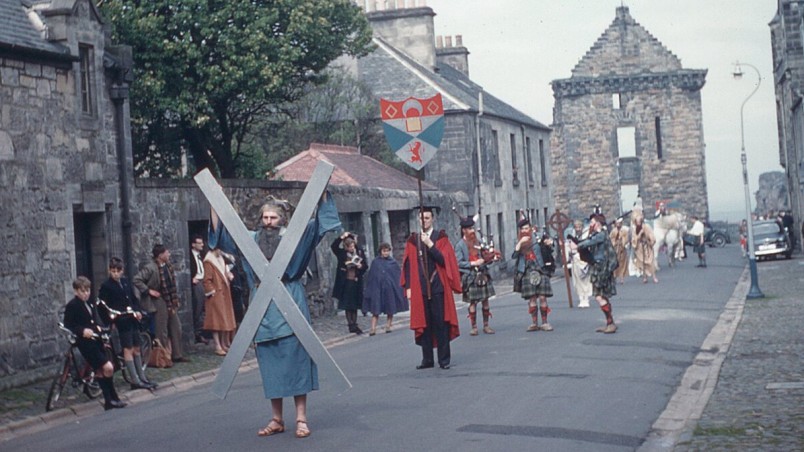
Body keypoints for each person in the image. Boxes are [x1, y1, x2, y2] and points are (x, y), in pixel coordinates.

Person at [209, 192, 341, 439]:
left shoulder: (295, 237)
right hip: (262, 309)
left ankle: (301, 418)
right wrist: (214, 206)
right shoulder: (250, 239)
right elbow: (224, 237)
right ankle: (277, 419)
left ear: (282, 219)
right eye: (265, 217)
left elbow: (318, 226)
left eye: (273, 217)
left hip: (290, 302)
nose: (268, 221)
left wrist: (321, 193)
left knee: (297, 363)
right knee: (271, 368)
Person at [401, 206, 462, 370]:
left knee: (441, 323)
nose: (424, 221)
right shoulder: (413, 240)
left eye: (427, 218)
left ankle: (444, 359)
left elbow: (444, 261)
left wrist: (430, 245)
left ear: (432, 219)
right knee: (425, 323)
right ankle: (427, 359)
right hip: (420, 287)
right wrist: (408, 287)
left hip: (437, 287)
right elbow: (407, 265)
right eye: (421, 218)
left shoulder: (440, 237)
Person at [63, 276, 127, 410]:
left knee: (100, 371)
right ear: (76, 291)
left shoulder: (90, 304)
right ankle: (112, 398)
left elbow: (93, 320)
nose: (86, 294)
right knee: (108, 367)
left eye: (87, 290)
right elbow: (69, 325)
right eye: (82, 291)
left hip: (96, 340)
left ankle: (111, 400)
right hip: (85, 343)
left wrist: (98, 327)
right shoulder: (72, 306)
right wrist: (82, 331)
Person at [98, 258, 156, 390]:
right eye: (113, 271)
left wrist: (137, 311)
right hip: (121, 320)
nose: (115, 274)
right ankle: (134, 380)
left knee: (136, 348)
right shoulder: (106, 286)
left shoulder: (125, 282)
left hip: (132, 319)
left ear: (122, 271)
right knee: (128, 349)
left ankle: (142, 377)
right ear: (109, 271)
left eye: (118, 271)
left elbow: (133, 299)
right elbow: (101, 306)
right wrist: (109, 321)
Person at [134, 244, 188, 363]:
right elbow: (137, 279)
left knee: (176, 327)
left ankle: (177, 354)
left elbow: (171, 284)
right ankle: (163, 357)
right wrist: (149, 291)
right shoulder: (150, 268)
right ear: (160, 255)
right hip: (158, 300)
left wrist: (174, 300)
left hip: (169, 299)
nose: (169, 254)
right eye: (166, 252)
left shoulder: (168, 266)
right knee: (161, 330)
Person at [572, 214, 618, 333]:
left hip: (601, 269)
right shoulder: (598, 234)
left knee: (599, 297)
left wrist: (578, 245)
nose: (590, 224)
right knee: (602, 296)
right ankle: (610, 323)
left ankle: (610, 323)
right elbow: (589, 240)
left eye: (592, 222)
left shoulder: (601, 235)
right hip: (598, 268)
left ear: (597, 223)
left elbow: (589, 243)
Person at [454, 215, 496, 336]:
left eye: (473, 228)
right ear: (464, 230)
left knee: (485, 301)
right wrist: (473, 263)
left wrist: (491, 257)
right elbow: (458, 262)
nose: (473, 231)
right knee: (473, 302)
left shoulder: (479, 242)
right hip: (470, 276)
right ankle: (474, 327)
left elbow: (485, 256)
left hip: (483, 274)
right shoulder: (460, 245)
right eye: (470, 229)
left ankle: (486, 325)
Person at [513, 219, 554, 332]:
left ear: (530, 228)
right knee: (532, 298)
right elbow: (514, 255)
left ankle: (545, 322)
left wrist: (549, 242)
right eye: (523, 229)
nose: (525, 230)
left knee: (542, 297)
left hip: (540, 268)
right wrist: (520, 243)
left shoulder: (538, 236)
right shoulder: (518, 240)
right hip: (526, 270)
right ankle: (534, 323)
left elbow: (550, 243)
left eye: (527, 228)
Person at [362, 242, 408, 335]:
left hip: (389, 289)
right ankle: (373, 328)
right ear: (380, 251)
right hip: (378, 289)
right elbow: (372, 276)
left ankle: (388, 326)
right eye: (384, 251)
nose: (386, 253)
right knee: (376, 309)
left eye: (387, 251)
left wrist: (398, 287)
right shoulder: (375, 262)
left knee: (390, 307)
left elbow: (396, 276)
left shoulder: (393, 262)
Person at [202, 246, 237, 355]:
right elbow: (207, 279)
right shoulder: (209, 261)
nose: (221, 252)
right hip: (216, 294)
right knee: (216, 321)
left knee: (223, 319)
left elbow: (226, 270)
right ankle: (217, 345)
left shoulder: (221, 259)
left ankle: (223, 343)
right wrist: (212, 292)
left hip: (224, 293)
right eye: (219, 250)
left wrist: (229, 275)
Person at [331, 232, 367, 335]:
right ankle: (351, 325)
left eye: (353, 246)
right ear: (346, 247)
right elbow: (333, 246)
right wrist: (341, 237)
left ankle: (355, 324)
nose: (352, 248)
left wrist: (360, 266)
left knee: (355, 304)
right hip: (346, 282)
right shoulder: (341, 253)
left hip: (356, 281)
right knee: (348, 304)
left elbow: (365, 265)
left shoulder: (359, 252)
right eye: (349, 247)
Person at [567, 219, 593, 308]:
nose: (578, 229)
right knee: (577, 280)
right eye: (576, 227)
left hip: (583, 259)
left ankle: (586, 298)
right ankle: (581, 298)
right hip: (575, 259)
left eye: (579, 227)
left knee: (585, 280)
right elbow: (569, 247)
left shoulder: (585, 235)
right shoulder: (573, 235)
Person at [189, 235, 210, 345]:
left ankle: (201, 332)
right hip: (196, 282)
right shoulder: (190, 255)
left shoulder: (202, 255)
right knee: (197, 307)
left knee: (203, 308)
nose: (202, 245)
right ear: (193, 244)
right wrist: (192, 278)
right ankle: (196, 333)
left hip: (203, 281)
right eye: (199, 243)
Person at [631, 212, 658, 283]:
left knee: (650, 261)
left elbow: (651, 235)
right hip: (639, 247)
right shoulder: (635, 229)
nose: (638, 223)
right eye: (637, 222)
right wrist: (639, 235)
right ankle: (645, 277)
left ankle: (654, 276)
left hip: (647, 246)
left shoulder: (646, 227)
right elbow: (634, 239)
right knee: (642, 262)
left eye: (639, 221)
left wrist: (650, 241)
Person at [609, 218, 630, 283]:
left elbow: (627, 238)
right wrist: (614, 242)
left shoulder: (624, 231)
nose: (618, 225)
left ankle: (622, 277)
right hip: (615, 248)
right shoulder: (613, 231)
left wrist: (623, 239)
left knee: (622, 263)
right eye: (617, 223)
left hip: (622, 248)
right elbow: (611, 238)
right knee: (615, 263)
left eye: (619, 223)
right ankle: (614, 276)